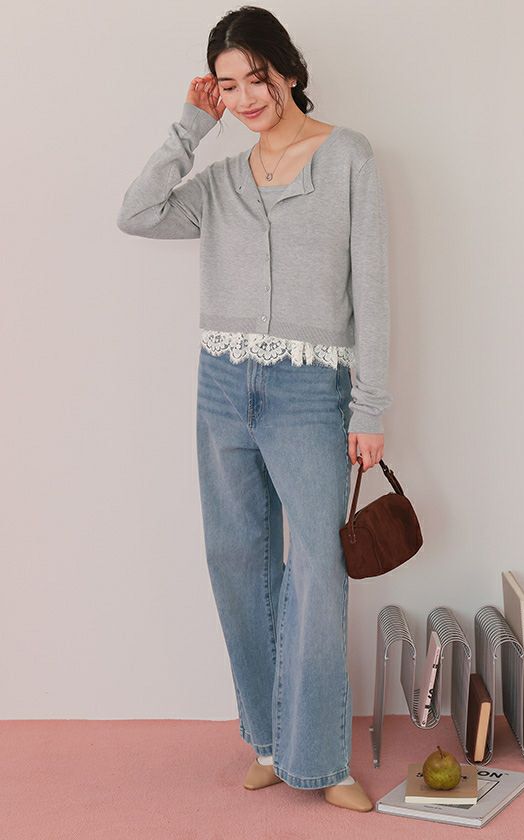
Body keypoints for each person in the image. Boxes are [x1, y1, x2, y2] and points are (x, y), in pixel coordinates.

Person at [116, 5, 391, 813]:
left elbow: (373, 292)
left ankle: (323, 757)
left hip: (310, 391)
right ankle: (270, 742)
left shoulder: (348, 157)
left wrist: (370, 407)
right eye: (227, 86)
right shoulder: (221, 181)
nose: (244, 98)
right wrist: (189, 126)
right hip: (222, 386)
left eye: (256, 79)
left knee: (317, 572)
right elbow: (136, 213)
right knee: (237, 558)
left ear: (288, 71)